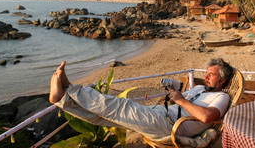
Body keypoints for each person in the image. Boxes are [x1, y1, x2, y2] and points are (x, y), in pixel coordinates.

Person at [49, 58, 234, 142]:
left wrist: (181, 101)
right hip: (161, 113)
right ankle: (63, 97)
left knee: (121, 105)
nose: (206, 76)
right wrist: (176, 93)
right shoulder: (200, 88)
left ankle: (70, 88)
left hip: (170, 126)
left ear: (223, 80)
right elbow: (183, 99)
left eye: (212, 75)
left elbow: (208, 117)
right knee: (104, 118)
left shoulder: (222, 96)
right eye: (207, 73)